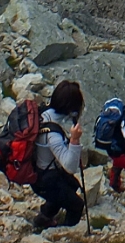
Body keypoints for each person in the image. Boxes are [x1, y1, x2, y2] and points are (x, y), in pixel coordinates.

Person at [32, 79, 85, 230]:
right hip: (45, 180)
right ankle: (64, 232)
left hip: (39, 172)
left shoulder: (45, 113)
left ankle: (44, 218)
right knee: (77, 205)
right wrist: (74, 139)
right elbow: (70, 167)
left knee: (72, 185)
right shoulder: (52, 135)